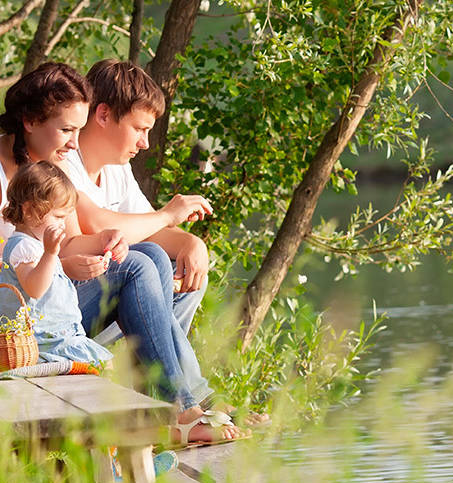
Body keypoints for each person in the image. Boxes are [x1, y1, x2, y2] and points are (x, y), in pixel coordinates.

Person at [0, 62, 248, 444]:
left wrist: (104, 244)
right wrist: (72, 257)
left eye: (77, 131)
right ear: (30, 121)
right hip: (15, 325)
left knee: (144, 253)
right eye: (67, 130)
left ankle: (169, 403)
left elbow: (65, 242)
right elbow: (27, 258)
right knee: (135, 264)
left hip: (48, 306)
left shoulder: (49, 164)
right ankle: (179, 408)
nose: (73, 143)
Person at [66, 58, 269, 426]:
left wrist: (191, 243)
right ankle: (183, 404)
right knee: (142, 261)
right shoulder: (64, 158)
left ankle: (170, 393)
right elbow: (95, 225)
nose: (144, 143)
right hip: (67, 306)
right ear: (103, 115)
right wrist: (168, 216)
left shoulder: (116, 168)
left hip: (105, 303)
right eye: (139, 129)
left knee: (182, 268)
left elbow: (148, 228)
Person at [0, 161, 112, 365]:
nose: (63, 224)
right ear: (29, 210)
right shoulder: (22, 247)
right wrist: (51, 254)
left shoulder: (37, 246)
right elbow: (34, 288)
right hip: (43, 342)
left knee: (104, 364)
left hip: (63, 335)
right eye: (59, 216)